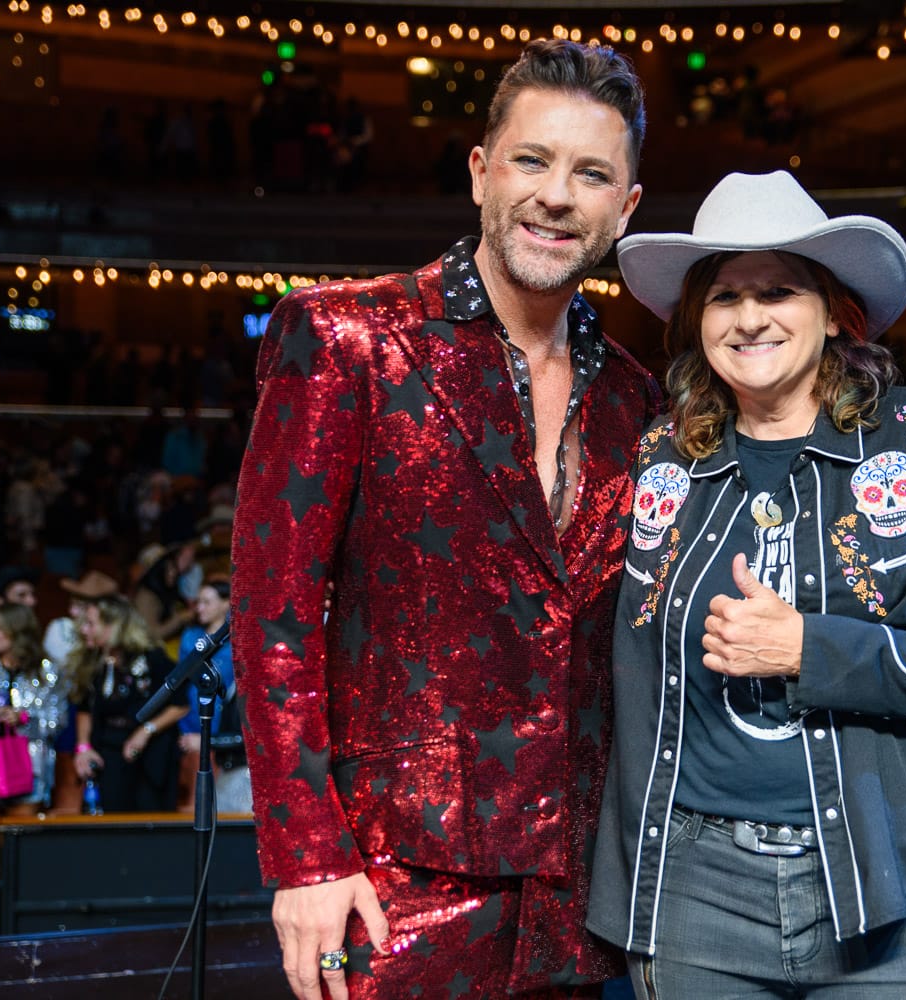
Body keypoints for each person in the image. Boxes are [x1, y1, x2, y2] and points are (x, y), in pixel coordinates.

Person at [231, 39, 659, 1000]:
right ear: (480, 172)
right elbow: (274, 613)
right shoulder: (348, 338)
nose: (557, 195)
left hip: (579, 899)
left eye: (592, 174)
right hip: (389, 888)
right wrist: (305, 856)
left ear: (625, 209)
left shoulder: (643, 401)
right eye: (532, 160)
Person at [587, 170, 906, 997]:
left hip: (896, 893)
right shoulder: (660, 456)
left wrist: (811, 649)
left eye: (778, 290)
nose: (751, 317)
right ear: (698, 321)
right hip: (695, 897)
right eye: (725, 295)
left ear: (834, 309)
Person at [70, 594, 189, 810]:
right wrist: (83, 746)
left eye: (90, 623)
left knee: (149, 820)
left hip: (150, 756)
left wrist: (146, 731)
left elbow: (180, 704)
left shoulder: (151, 658)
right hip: (108, 753)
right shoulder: (93, 662)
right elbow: (84, 708)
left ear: (112, 625)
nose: (84, 630)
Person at [0, 602, 66, 816]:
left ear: (17, 631)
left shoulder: (45, 670)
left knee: (20, 840)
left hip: (30, 768)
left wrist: (24, 718)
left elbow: (58, 721)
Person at [176, 579, 251, 815]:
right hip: (191, 723)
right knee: (191, 799)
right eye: (198, 602)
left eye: (206, 602)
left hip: (224, 725)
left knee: (216, 802)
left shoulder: (237, 641)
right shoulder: (191, 638)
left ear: (225, 604)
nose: (199, 607)